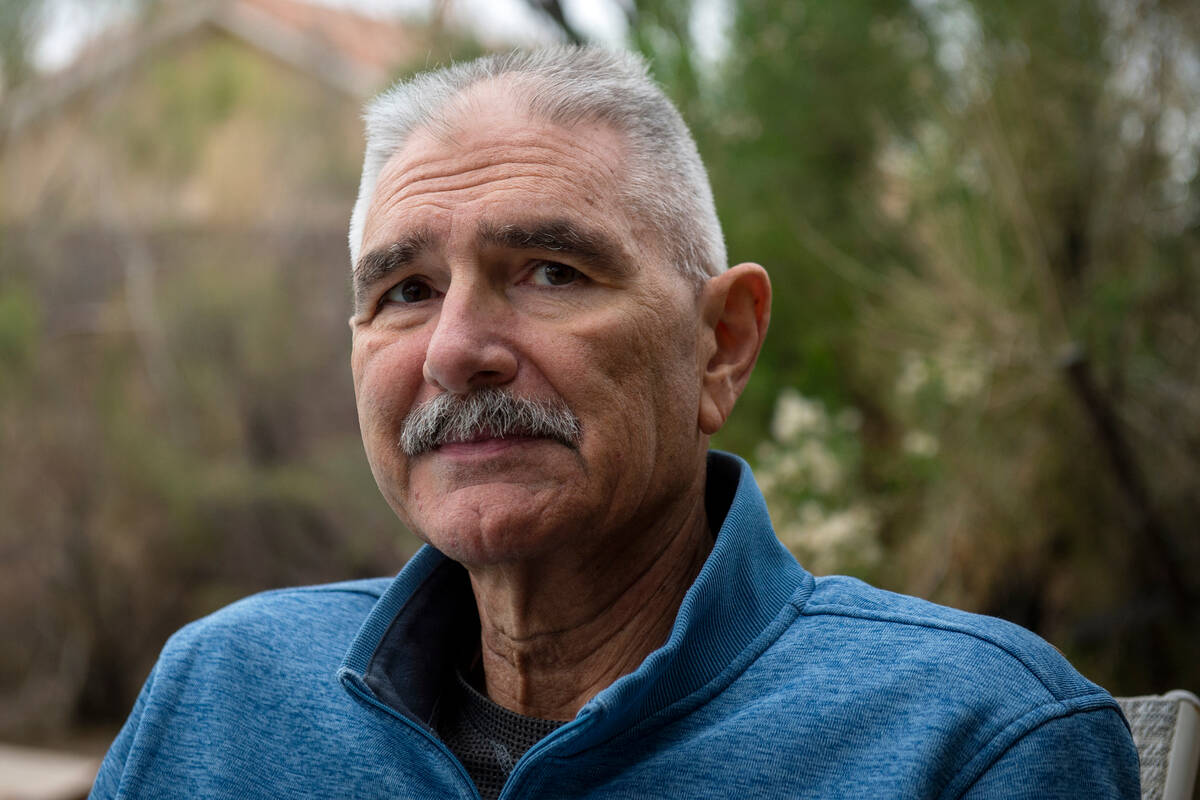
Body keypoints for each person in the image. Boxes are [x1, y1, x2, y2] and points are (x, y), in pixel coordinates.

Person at [91, 46, 1139, 799]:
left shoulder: (972, 737)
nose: (456, 349)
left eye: (550, 270)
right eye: (405, 289)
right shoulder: (222, 693)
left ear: (720, 343)